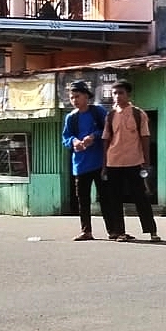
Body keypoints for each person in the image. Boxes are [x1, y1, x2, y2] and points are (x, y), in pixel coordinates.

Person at [101, 79, 160, 242]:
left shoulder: (138, 114)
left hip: (134, 161)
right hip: (114, 162)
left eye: (121, 93)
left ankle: (152, 231)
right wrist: (104, 165)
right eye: (114, 93)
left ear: (128, 95)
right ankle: (120, 232)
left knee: (141, 197)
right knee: (115, 199)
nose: (117, 96)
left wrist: (146, 163)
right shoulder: (110, 115)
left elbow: (145, 138)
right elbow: (106, 140)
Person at [61, 80, 112, 241]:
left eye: (77, 96)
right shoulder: (71, 117)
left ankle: (112, 231)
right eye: (72, 97)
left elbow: (108, 129)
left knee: (105, 198)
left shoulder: (98, 111)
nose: (74, 100)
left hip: (100, 163)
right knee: (83, 200)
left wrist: (93, 136)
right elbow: (65, 138)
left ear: (86, 97)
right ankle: (86, 231)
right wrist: (74, 142)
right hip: (80, 165)